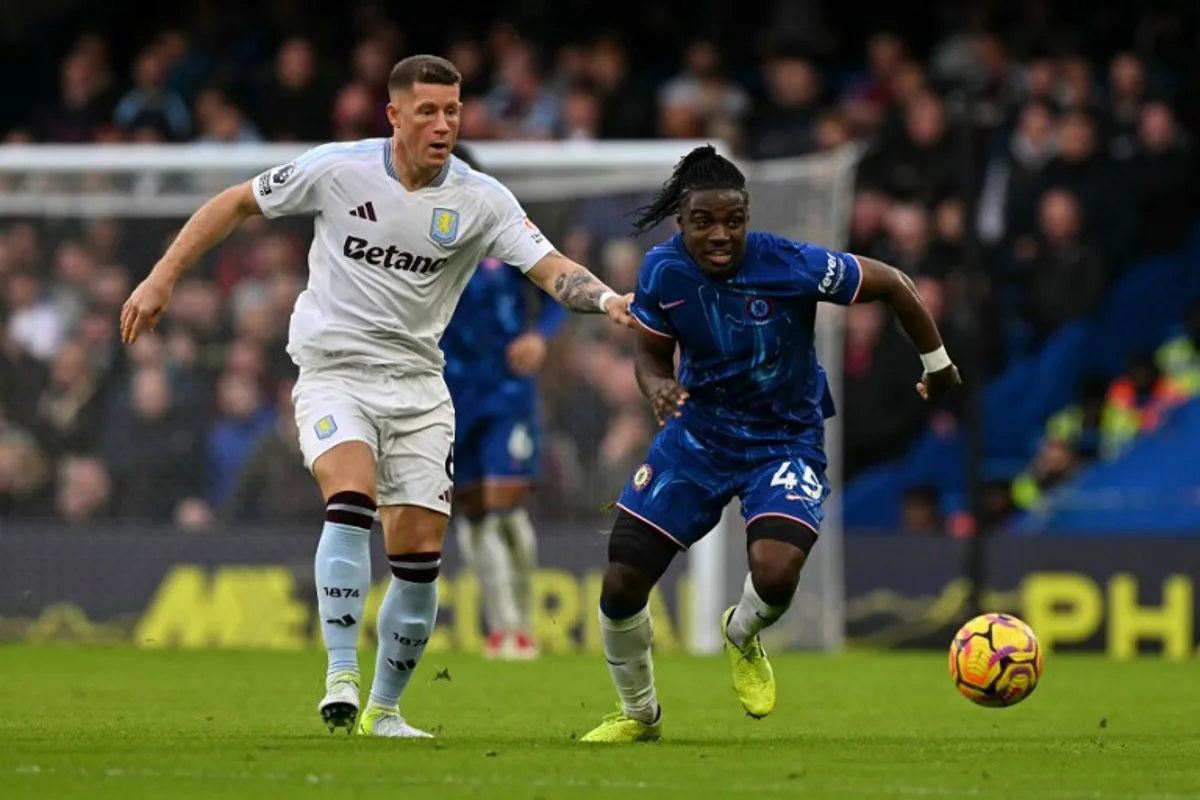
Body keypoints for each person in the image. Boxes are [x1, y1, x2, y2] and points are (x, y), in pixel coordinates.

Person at [120, 55, 634, 739]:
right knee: (352, 498)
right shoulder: (339, 169)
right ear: (394, 115)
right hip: (334, 372)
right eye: (427, 110)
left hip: (421, 388)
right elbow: (236, 202)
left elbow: (552, 269)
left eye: (452, 111)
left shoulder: (481, 198)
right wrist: (161, 279)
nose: (443, 123)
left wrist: (605, 299)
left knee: (419, 561)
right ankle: (340, 673)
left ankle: (385, 711)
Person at [579, 145, 960, 743]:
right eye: (704, 221)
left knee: (776, 573)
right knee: (623, 578)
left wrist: (936, 363)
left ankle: (741, 632)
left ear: (748, 215)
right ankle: (639, 714)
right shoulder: (661, 271)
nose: (721, 234)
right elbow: (650, 354)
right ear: (682, 222)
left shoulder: (789, 262)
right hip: (699, 435)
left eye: (734, 219)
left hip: (785, 438)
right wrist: (657, 388)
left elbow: (893, 282)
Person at [441, 143, 565, 659]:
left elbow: (555, 280)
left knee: (505, 509)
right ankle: (501, 627)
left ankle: (520, 625)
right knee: (471, 515)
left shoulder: (502, 227)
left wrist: (541, 336)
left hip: (507, 393)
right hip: (448, 396)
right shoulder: (417, 237)